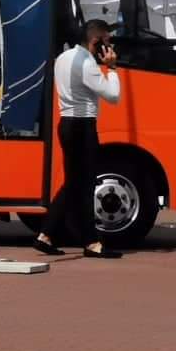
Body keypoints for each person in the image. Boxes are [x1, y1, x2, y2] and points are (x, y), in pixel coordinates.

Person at [35, 20, 123, 259]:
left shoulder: (63, 58)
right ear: (95, 41)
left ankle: (46, 235)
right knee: (84, 184)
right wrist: (112, 68)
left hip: (66, 124)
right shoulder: (87, 64)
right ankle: (91, 243)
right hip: (83, 127)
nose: (109, 48)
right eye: (106, 42)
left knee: (74, 183)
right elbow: (113, 96)